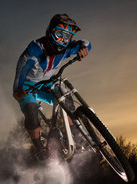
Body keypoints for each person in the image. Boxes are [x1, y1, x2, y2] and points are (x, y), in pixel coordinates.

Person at [13, 13, 91, 161]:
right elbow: (21, 71)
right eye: (59, 34)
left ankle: (78, 137)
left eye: (67, 36)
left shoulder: (67, 48)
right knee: (31, 110)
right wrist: (18, 89)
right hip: (27, 86)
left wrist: (83, 48)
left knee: (67, 100)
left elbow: (86, 42)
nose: (63, 39)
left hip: (48, 82)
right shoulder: (35, 49)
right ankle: (39, 148)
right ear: (50, 32)